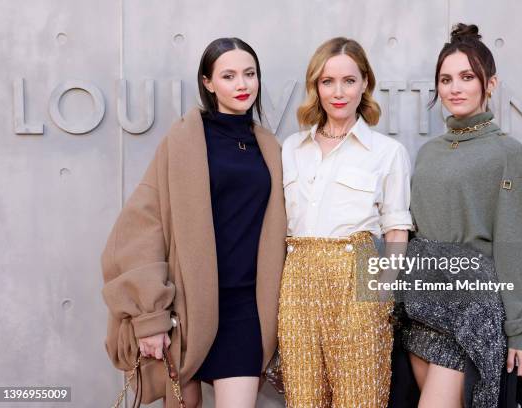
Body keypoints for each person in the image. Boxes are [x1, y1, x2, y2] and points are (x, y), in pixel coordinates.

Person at [101, 37, 286, 408]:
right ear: (207, 82)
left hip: (245, 307)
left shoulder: (269, 146)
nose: (242, 84)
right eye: (229, 75)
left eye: (250, 74)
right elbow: (142, 226)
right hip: (185, 308)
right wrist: (151, 316)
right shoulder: (184, 140)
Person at [396, 23, 522, 408]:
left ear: (489, 84)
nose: (455, 88)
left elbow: (515, 244)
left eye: (466, 77)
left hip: (471, 314)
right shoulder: (429, 152)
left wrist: (520, 333)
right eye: (445, 79)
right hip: (422, 309)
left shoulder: (507, 153)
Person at [278, 37, 414, 407]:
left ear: (365, 83)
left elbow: (397, 227)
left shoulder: (387, 153)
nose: (338, 92)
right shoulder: (291, 149)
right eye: (327, 81)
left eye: (349, 81)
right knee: (302, 397)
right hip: (298, 280)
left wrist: (381, 293)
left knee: (361, 398)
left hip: (359, 274)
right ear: (315, 87)